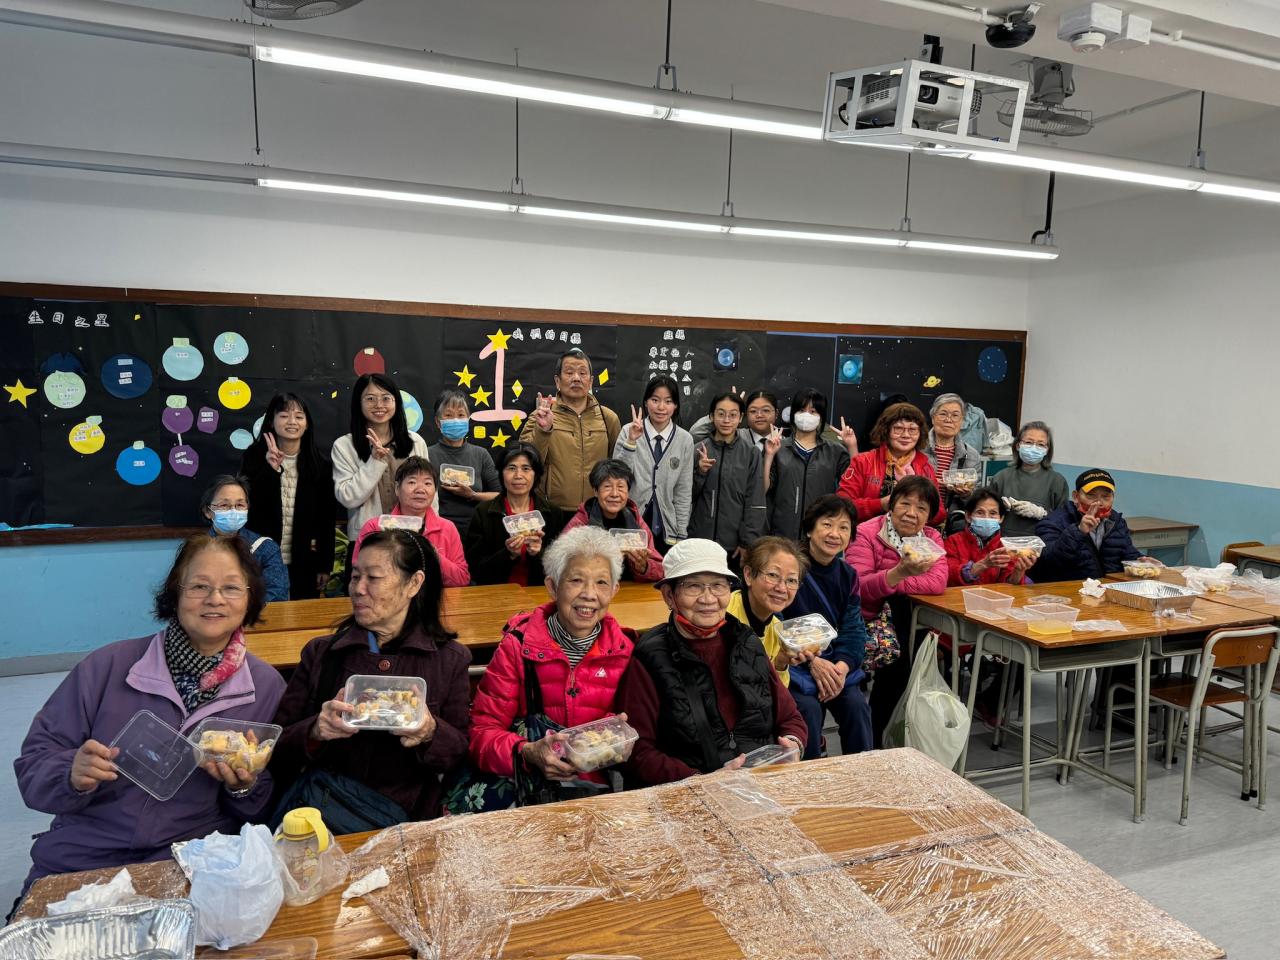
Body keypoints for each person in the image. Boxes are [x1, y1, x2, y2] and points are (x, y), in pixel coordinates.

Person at [15, 535, 285, 894]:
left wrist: (243, 788)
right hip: (84, 857)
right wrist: (70, 773)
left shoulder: (267, 687)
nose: (215, 599)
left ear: (250, 598)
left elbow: (264, 810)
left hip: (191, 862)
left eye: (232, 588)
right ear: (175, 593)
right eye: (199, 586)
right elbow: (33, 766)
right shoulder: (108, 666)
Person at [271, 530, 471, 831]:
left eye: (373, 578)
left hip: (406, 824)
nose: (358, 589)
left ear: (414, 583)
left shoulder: (449, 659)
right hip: (323, 815)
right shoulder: (322, 653)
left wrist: (430, 731)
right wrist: (316, 730)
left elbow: (459, 754)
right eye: (355, 577)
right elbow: (277, 745)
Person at [459, 527, 636, 811]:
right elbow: (481, 733)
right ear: (553, 587)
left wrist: (617, 737)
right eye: (576, 580)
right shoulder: (518, 646)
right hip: (524, 791)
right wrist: (527, 753)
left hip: (593, 794)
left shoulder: (625, 651)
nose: (589, 594)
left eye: (602, 582)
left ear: (614, 590)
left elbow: (640, 738)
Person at [617, 539, 807, 786]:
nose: (708, 599)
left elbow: (790, 717)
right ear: (669, 596)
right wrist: (701, 781)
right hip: (689, 793)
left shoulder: (746, 641)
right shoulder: (650, 655)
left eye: (718, 586)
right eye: (693, 586)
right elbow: (637, 752)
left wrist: (792, 744)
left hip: (759, 785)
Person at [847, 476, 948, 747]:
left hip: (906, 621)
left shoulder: (931, 538)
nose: (911, 513)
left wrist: (891, 580)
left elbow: (937, 583)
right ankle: (875, 739)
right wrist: (899, 573)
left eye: (921, 508)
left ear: (929, 516)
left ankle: (889, 735)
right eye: (905, 503)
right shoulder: (867, 532)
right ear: (891, 505)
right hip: (867, 619)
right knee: (897, 662)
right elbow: (859, 586)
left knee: (905, 623)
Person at [783, 496, 874, 758]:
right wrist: (813, 662)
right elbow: (775, 621)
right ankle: (811, 774)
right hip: (794, 664)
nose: (835, 534)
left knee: (856, 706)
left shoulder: (848, 575)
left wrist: (841, 669)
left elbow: (854, 630)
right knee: (808, 710)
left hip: (835, 666)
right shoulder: (789, 568)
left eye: (844, 527)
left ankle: (862, 772)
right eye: (827, 524)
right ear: (810, 529)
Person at [240, 392, 337, 599]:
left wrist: (324, 565)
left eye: (299, 416)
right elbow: (248, 508)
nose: (292, 421)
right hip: (261, 561)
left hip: (304, 562)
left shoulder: (320, 466)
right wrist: (271, 470)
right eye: (284, 415)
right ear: (271, 422)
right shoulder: (253, 458)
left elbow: (326, 520)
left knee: (301, 614)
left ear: (307, 424)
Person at [518, 348, 622, 511]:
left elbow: (618, 465)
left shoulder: (608, 418)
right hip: (552, 510)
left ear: (591, 381)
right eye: (569, 372)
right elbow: (525, 463)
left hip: (597, 508)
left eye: (582, 373)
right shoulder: (541, 416)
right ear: (557, 381)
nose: (576, 378)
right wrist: (543, 430)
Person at [332, 372, 430, 542]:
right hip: (368, 540)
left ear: (396, 402)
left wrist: (430, 531)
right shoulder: (344, 446)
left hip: (412, 537)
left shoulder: (415, 442)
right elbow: (348, 498)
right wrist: (374, 461)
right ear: (359, 403)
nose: (379, 405)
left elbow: (429, 493)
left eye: (386, 398)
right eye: (370, 399)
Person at [351, 457, 469, 586]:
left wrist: (433, 555)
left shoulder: (447, 528)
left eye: (427, 483)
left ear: (435, 491)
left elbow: (461, 579)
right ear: (397, 488)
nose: (420, 489)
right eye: (412, 482)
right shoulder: (374, 527)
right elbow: (359, 576)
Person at [464, 443, 569, 586]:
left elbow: (561, 570)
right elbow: (475, 570)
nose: (518, 476)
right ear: (501, 473)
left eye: (526, 469)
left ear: (536, 474)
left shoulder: (552, 513)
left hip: (539, 593)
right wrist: (508, 554)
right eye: (511, 468)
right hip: (496, 593)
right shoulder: (483, 512)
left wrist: (538, 554)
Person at [1034, 469, 1160, 582]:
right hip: (1068, 590)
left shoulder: (1116, 522)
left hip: (1108, 589)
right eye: (1091, 495)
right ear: (1076, 497)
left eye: (1106, 496)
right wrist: (1078, 531)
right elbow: (1047, 561)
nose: (1099, 502)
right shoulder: (1053, 521)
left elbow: (1126, 552)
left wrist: (1141, 561)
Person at [764, 388, 857, 541]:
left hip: (820, 534)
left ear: (821, 417)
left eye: (813, 411)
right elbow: (763, 488)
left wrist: (852, 446)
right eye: (801, 410)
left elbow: (854, 482)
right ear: (793, 413)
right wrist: (769, 456)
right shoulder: (778, 448)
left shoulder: (834, 451)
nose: (806, 415)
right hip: (782, 534)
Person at [614, 374, 694, 549]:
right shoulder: (628, 431)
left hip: (667, 530)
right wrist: (631, 442)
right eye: (655, 400)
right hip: (630, 525)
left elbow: (683, 491)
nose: (661, 407)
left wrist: (681, 533)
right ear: (646, 402)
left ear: (676, 405)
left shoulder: (685, 440)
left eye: (668, 401)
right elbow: (618, 478)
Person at [838, 402, 944, 527]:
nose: (906, 435)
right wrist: (880, 504)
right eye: (898, 429)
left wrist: (917, 512)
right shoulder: (863, 461)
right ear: (886, 430)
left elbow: (940, 513)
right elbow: (842, 505)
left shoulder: (925, 467)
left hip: (911, 537)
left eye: (912, 430)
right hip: (866, 533)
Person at [689, 391, 766, 563]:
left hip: (733, 546)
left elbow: (755, 501)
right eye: (721, 414)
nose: (726, 420)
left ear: (741, 418)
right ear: (711, 416)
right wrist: (700, 472)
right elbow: (686, 496)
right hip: (699, 540)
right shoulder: (698, 450)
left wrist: (747, 542)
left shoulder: (751, 453)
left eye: (733, 415)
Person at [563, 459, 665, 582]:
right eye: (607, 486)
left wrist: (644, 567)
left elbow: (661, 568)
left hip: (629, 591)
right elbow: (561, 565)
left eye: (621, 487)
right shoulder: (581, 523)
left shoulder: (636, 521)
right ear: (595, 491)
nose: (615, 494)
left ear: (628, 492)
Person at [727, 536, 807, 688]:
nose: (782, 588)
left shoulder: (778, 631)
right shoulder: (722, 615)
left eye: (791, 580)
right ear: (748, 575)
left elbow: (775, 694)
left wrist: (780, 662)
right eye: (773, 575)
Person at [201, 475, 289, 602]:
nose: (233, 511)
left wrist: (239, 609)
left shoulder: (265, 548)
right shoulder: (195, 550)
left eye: (240, 505)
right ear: (207, 511)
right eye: (224, 505)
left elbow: (277, 594)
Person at [427, 388, 500, 539]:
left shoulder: (481, 454)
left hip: (476, 530)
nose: (455, 420)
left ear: (468, 419)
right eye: (448, 415)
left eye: (461, 415)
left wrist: (472, 495)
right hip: (438, 529)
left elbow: (500, 495)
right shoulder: (426, 454)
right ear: (438, 422)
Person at [988, 420, 1070, 538]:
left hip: (1042, 542)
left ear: (1047, 450)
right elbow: (985, 513)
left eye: (1040, 444)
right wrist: (998, 507)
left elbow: (1064, 521)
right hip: (1005, 541)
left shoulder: (1057, 481)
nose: (1034, 448)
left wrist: (1043, 514)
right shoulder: (1001, 477)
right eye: (1028, 442)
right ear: (1018, 445)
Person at [945, 488, 1035, 586]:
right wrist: (983, 564)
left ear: (1001, 518)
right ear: (968, 516)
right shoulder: (953, 541)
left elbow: (1008, 586)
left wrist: (1018, 571)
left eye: (993, 513)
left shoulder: (1005, 546)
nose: (986, 518)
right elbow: (949, 577)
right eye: (980, 512)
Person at [924, 393, 983, 535]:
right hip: (920, 517)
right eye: (943, 414)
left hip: (952, 525)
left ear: (962, 420)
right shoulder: (918, 447)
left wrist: (966, 494)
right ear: (933, 417)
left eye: (955, 415)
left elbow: (976, 499)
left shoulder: (971, 455)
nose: (949, 420)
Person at [689, 388, 777, 459]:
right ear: (744, 415)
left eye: (766, 410)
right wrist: (727, 408)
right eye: (753, 411)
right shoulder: (734, 435)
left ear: (776, 414)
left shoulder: (783, 442)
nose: (759, 415)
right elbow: (695, 434)